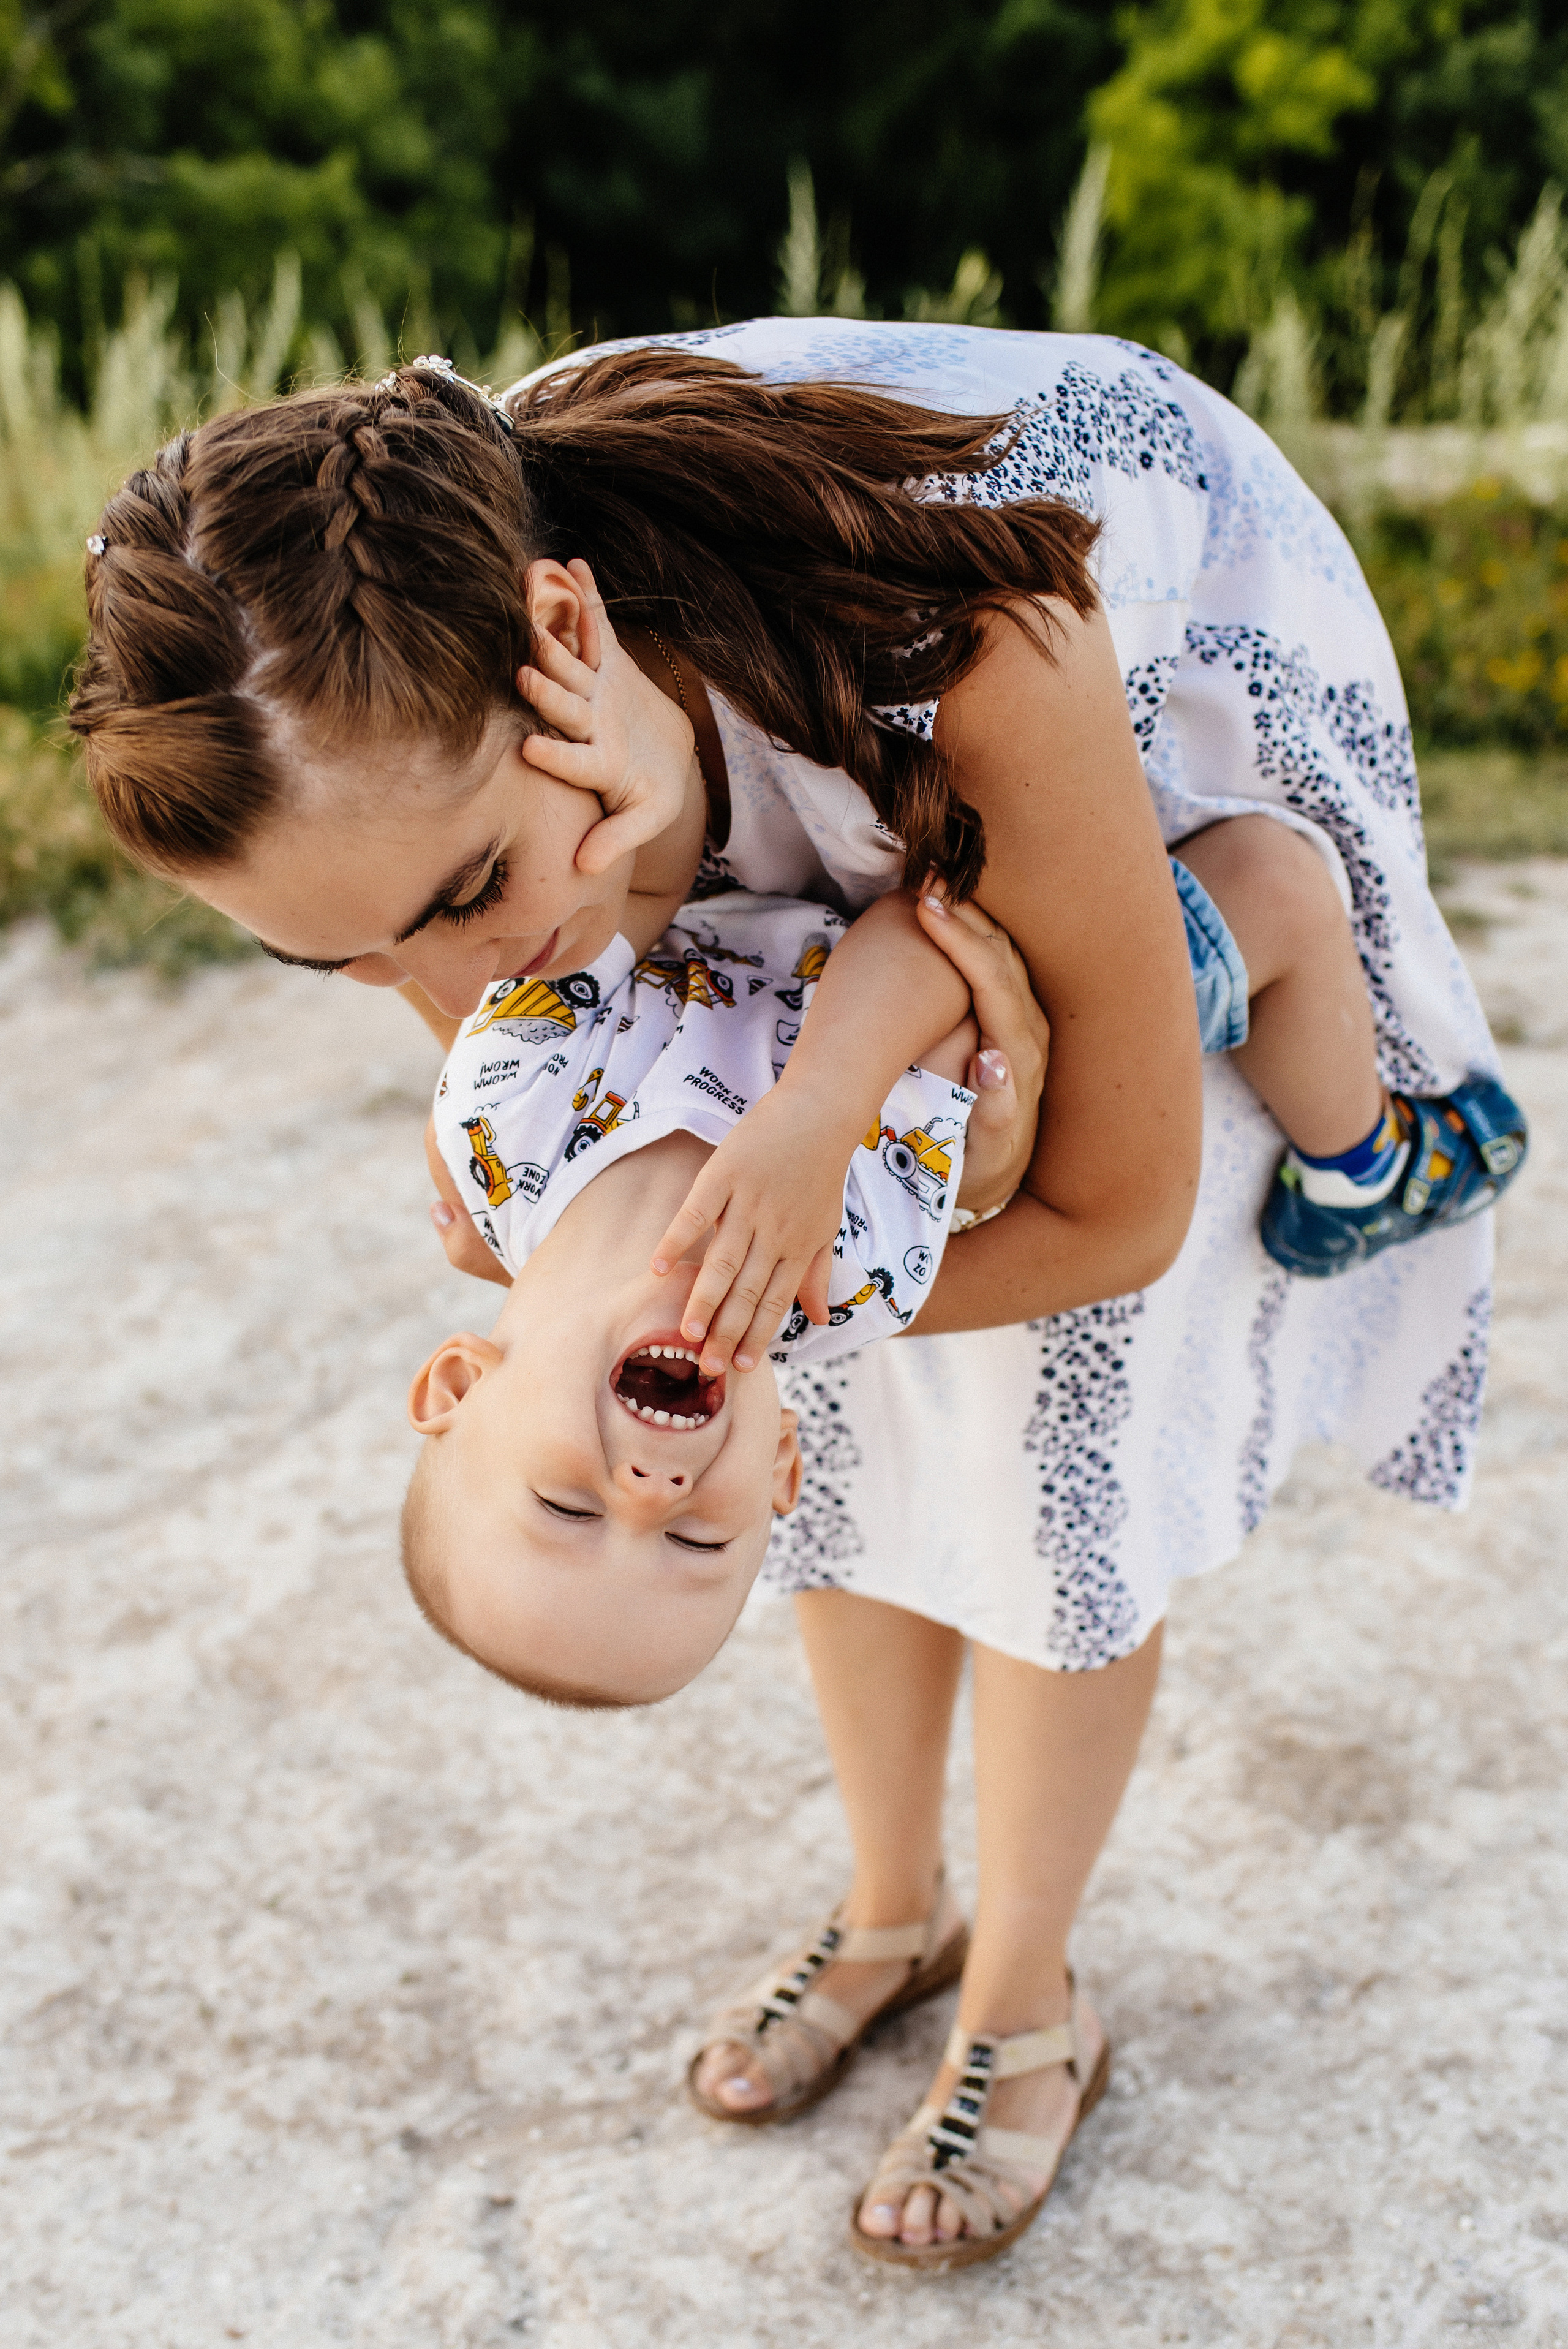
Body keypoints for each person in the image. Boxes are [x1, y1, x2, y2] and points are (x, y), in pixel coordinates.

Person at [67, 323, 1520, 2270]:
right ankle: (891, 1901)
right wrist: (746, 1308)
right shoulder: (386, 713)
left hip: (1072, 756)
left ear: (561, 639)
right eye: (327, 956)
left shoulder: (971, 637)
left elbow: (1107, 1210)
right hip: (824, 943)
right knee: (803, 1480)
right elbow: (518, 987)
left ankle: (1028, 1997)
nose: (454, 992)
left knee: (1057, 1466)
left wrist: (868, 1200)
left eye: (462, 894)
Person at [406, 884, 1031, 1707]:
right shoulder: (857, 1268)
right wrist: (828, 1105)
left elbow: (606, 884)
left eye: (569, 1508)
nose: (650, 1492)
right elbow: (932, 936)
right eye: (699, 1542)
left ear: (459, 1384)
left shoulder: (496, 1126)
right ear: (780, 1459)